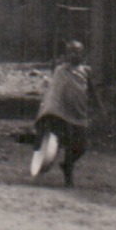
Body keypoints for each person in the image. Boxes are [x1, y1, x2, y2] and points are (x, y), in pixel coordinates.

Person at [31, 41, 96, 187]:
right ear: (66, 55)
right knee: (64, 142)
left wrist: (99, 107)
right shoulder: (60, 70)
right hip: (61, 112)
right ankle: (68, 177)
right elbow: (53, 92)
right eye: (71, 52)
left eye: (77, 52)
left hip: (79, 112)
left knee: (81, 146)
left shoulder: (86, 71)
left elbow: (92, 91)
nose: (74, 55)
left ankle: (67, 164)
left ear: (83, 54)